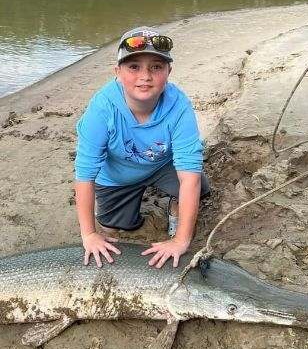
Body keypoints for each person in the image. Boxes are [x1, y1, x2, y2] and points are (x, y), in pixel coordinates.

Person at [74, 26, 209, 269]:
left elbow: (189, 176)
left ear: (169, 72)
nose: (145, 76)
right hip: (117, 176)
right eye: (133, 67)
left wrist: (180, 241)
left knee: (199, 186)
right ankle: (120, 212)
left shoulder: (179, 106)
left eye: (156, 67)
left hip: (160, 165)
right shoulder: (102, 108)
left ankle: (175, 213)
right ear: (117, 72)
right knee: (116, 226)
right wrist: (89, 235)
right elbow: (85, 174)